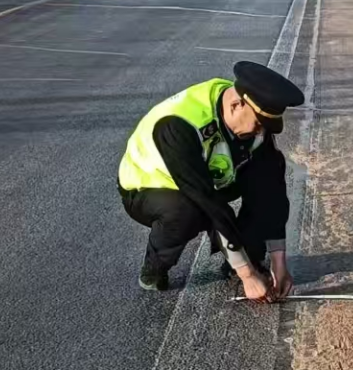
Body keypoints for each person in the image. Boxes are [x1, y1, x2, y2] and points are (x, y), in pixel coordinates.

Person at [118, 61, 305, 302]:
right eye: (258, 124)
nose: (260, 132)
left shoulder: (251, 115)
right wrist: (247, 275)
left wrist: (279, 262)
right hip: (150, 188)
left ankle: (246, 258)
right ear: (236, 105)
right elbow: (208, 202)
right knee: (188, 211)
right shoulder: (178, 124)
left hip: (213, 178)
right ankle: (154, 267)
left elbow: (273, 192)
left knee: (265, 178)